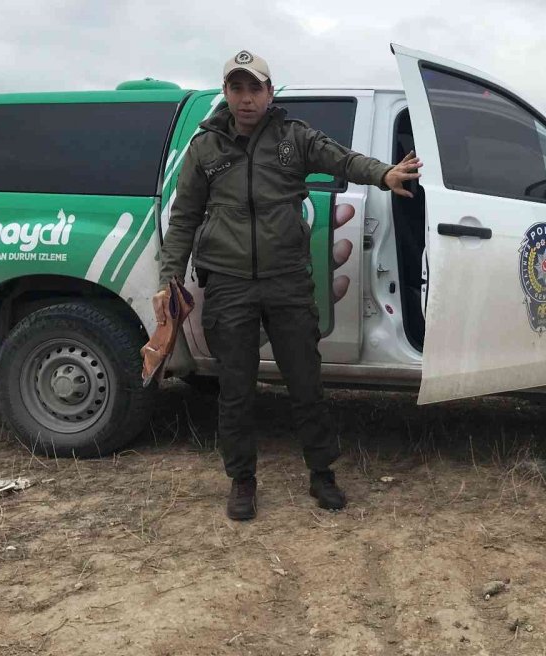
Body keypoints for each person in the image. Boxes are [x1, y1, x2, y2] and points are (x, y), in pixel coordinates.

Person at [154, 50, 422, 520]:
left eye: (254, 88)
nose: (246, 98)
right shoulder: (205, 148)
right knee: (235, 390)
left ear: (269, 92)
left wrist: (383, 174)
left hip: (287, 283)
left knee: (306, 384)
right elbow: (183, 219)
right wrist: (169, 277)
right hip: (229, 285)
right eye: (237, 88)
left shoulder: (292, 138)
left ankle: (322, 474)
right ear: (226, 93)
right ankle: (241, 481)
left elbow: (341, 158)